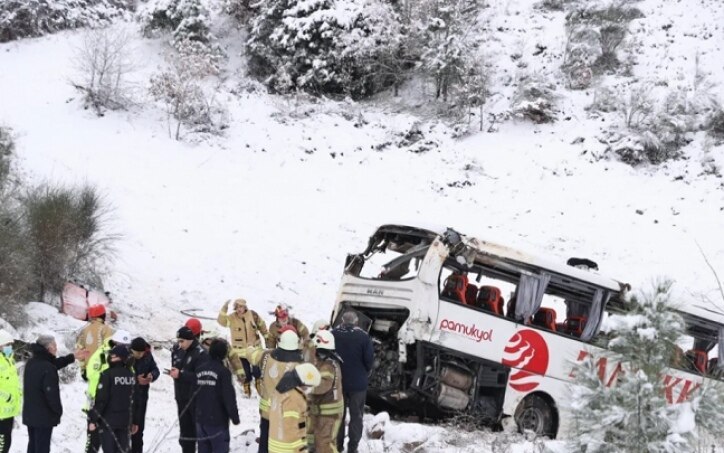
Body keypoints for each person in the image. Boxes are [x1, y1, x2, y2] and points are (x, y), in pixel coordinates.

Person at [247, 330, 304, 453]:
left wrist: (251, 346)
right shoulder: (299, 364)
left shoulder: (267, 356)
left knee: (264, 441)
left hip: (267, 411)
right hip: (287, 413)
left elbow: (251, 355)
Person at [23, 334, 82, 453]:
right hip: (43, 417)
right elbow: (52, 395)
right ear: (48, 348)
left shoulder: (32, 363)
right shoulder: (47, 367)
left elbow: (52, 364)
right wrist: (58, 411)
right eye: (54, 345)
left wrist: (72, 356)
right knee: (42, 449)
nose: (56, 348)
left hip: (31, 415)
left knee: (33, 446)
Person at [84, 329, 132, 453]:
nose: (125, 348)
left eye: (126, 346)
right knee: (94, 443)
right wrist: (107, 378)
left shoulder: (125, 357)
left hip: (117, 406)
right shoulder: (101, 354)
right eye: (121, 344)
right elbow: (91, 373)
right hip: (98, 401)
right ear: (114, 342)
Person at [332, 312, 373, 453]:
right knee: (356, 416)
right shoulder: (363, 336)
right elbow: (369, 361)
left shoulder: (333, 334)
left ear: (342, 320)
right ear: (356, 321)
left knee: (339, 415)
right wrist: (365, 372)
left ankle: (338, 446)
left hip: (339, 383)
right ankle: (353, 447)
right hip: (358, 385)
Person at [195, 339, 240, 453]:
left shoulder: (199, 369)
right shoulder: (223, 372)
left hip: (200, 420)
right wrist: (234, 417)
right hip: (217, 422)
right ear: (224, 354)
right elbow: (229, 397)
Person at [217, 298, 268, 397]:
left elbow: (262, 325)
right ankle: (246, 388)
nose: (239, 309)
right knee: (246, 372)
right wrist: (224, 308)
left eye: (241, 306)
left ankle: (259, 387)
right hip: (240, 352)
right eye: (237, 307)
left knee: (257, 370)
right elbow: (221, 321)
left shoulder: (253, 315)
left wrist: (266, 336)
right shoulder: (231, 318)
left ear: (245, 307)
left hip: (254, 349)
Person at [171, 326, 209, 453]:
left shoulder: (201, 354)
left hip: (196, 400)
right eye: (178, 341)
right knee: (185, 435)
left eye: (182, 341)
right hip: (181, 398)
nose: (179, 344)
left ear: (190, 340)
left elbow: (202, 377)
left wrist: (181, 375)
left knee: (199, 433)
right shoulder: (178, 350)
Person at [271, 363, 321, 453]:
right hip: (288, 448)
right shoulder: (293, 398)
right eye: (309, 386)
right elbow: (290, 426)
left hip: (277, 443)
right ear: (303, 382)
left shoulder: (282, 389)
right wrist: (299, 448)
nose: (308, 389)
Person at [308, 330, 344, 453]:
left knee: (325, 444)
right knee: (313, 440)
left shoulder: (328, 366)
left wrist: (307, 388)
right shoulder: (323, 361)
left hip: (330, 414)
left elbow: (323, 385)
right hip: (320, 411)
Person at [129, 337, 160, 453]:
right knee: (124, 432)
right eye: (137, 353)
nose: (140, 355)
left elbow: (156, 369)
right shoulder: (125, 356)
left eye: (142, 353)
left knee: (138, 431)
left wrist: (152, 375)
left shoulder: (147, 356)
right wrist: (135, 380)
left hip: (141, 398)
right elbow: (119, 374)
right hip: (126, 399)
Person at [76, 304, 115, 379]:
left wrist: (83, 370)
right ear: (103, 315)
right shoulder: (107, 330)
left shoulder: (84, 331)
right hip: (103, 371)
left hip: (89, 370)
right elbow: (109, 350)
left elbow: (80, 352)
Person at [0, 330, 20, 453]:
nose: (10, 348)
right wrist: (6, 396)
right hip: (1, 412)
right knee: (2, 445)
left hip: (9, 411)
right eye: (7, 345)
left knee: (6, 443)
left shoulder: (10, 361)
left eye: (10, 345)